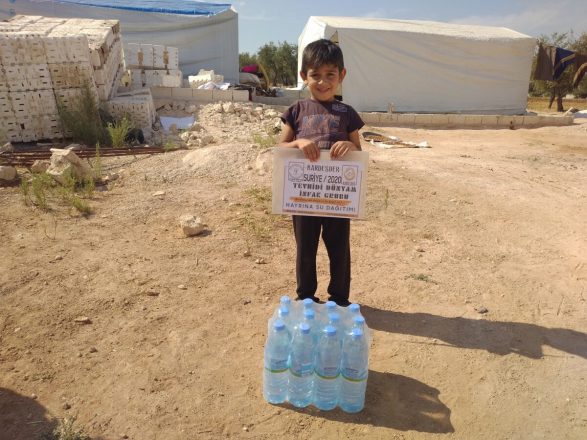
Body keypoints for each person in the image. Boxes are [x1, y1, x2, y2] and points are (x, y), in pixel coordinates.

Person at [278, 39, 364, 307]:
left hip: (338, 198)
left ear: (342, 76)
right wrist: (298, 142)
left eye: (330, 75)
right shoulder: (296, 111)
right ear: (304, 76)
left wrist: (349, 145)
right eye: (315, 75)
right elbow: (281, 147)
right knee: (306, 248)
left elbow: (358, 152)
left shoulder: (347, 113)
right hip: (303, 197)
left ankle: (339, 298)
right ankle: (305, 297)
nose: (323, 82)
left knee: (339, 249)